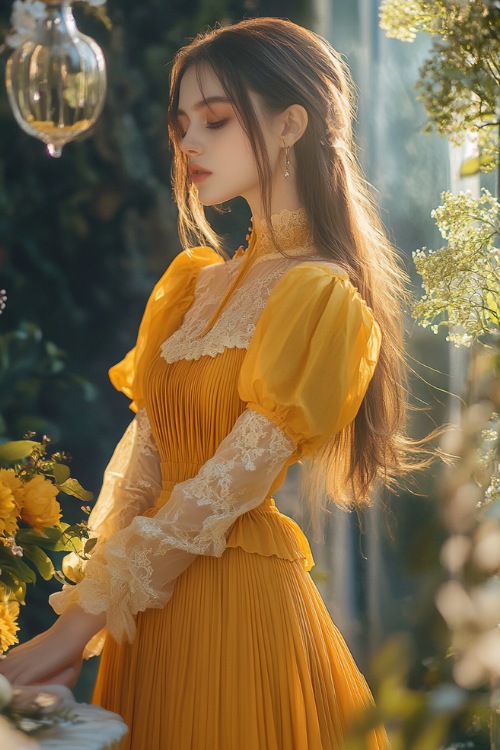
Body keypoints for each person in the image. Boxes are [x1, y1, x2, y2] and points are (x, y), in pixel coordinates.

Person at [0, 17, 413, 749]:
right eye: (182, 123)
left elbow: (224, 487)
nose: (189, 141)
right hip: (144, 619)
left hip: (238, 608)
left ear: (292, 124)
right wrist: (82, 631)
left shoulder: (321, 294)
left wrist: (71, 631)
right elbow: (139, 478)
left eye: (216, 119)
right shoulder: (193, 284)